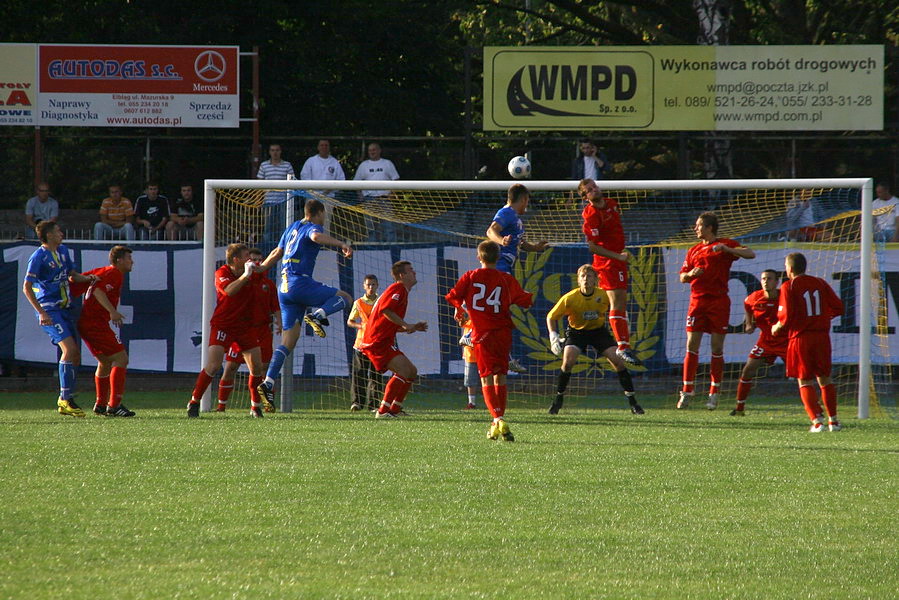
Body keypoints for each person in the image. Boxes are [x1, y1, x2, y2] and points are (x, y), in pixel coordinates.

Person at [255, 199, 354, 404]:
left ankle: (268, 382)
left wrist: (262, 268)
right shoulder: (312, 226)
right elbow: (316, 236)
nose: (324, 220)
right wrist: (341, 244)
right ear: (317, 213)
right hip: (299, 283)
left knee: (287, 342)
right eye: (323, 216)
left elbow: (276, 252)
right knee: (345, 298)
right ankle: (317, 316)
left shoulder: (291, 227)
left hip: (283, 288)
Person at [446, 241, 533, 441]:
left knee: (485, 378)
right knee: (500, 376)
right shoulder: (506, 279)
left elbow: (453, 296)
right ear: (499, 257)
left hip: (482, 334)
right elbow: (526, 301)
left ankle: (497, 417)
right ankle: (497, 422)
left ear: (479, 257)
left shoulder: (470, 276)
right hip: (502, 333)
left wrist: (459, 309)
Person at [677, 212, 756, 410]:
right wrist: (690, 274)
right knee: (691, 345)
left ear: (709, 228)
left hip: (718, 302)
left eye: (699, 225)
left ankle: (714, 393)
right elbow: (682, 277)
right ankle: (687, 391)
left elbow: (750, 253)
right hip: (697, 302)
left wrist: (728, 249)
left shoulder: (723, 244)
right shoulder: (693, 250)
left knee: (716, 348)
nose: (695, 229)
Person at [21, 221, 98, 417]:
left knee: (76, 355)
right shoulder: (38, 256)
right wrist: (42, 312)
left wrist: (89, 278)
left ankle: (68, 397)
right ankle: (64, 399)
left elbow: (72, 276)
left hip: (65, 308)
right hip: (49, 309)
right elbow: (27, 288)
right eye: (57, 231)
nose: (61, 233)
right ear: (48, 235)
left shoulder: (63, 250)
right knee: (69, 349)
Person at [545, 264, 644, 416]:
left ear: (596, 280)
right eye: (582, 276)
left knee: (618, 361)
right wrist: (553, 337)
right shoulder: (570, 298)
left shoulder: (604, 295)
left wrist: (625, 322)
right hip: (577, 333)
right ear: (578, 280)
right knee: (568, 361)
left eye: (589, 276)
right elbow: (551, 316)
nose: (586, 279)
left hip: (598, 332)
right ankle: (558, 399)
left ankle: (633, 403)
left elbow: (618, 307)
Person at [187, 243, 269, 418]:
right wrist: (246, 275)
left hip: (245, 327)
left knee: (257, 367)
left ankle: (255, 407)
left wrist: (282, 249)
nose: (250, 259)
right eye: (247, 256)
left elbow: (267, 265)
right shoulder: (222, 273)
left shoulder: (252, 273)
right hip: (223, 324)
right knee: (214, 365)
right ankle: (194, 402)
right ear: (236, 259)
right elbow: (229, 291)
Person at [771, 252, 844, 432]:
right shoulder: (820, 282)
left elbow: (786, 318)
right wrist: (822, 318)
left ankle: (817, 422)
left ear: (789, 268)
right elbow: (839, 307)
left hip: (801, 338)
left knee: (804, 380)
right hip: (821, 337)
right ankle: (833, 421)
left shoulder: (789, 286)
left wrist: (776, 327)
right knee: (825, 378)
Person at [484, 183, 548, 374]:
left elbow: (519, 243)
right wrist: (499, 240)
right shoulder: (507, 213)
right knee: (499, 309)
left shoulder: (516, 219)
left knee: (501, 312)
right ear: (523, 199)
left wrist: (535, 248)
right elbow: (491, 231)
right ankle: (472, 332)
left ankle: (506, 356)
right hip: (500, 265)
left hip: (507, 267)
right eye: (527, 200)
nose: (527, 204)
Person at [580, 177, 640, 366]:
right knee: (616, 302)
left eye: (594, 186)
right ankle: (622, 346)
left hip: (618, 261)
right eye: (589, 190)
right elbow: (592, 247)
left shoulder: (612, 204)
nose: (594, 190)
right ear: (585, 197)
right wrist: (616, 256)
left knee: (621, 301)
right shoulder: (590, 215)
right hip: (607, 263)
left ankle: (622, 336)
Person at [360, 261, 428, 418]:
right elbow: (386, 310)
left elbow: (387, 320)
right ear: (402, 275)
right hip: (377, 341)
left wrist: (409, 327)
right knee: (404, 370)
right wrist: (405, 324)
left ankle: (395, 410)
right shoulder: (397, 288)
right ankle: (383, 411)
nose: (415, 273)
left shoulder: (402, 291)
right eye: (411, 270)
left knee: (411, 372)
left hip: (382, 340)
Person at [215, 248, 280, 413]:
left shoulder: (268, 284)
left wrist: (279, 322)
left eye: (259, 260)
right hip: (244, 329)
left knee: (263, 368)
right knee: (230, 367)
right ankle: (221, 405)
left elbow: (275, 306)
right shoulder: (244, 281)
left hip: (263, 330)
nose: (256, 262)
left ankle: (264, 404)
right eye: (253, 259)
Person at [76, 245, 136, 417]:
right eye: (129, 258)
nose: (132, 262)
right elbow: (98, 291)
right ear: (119, 260)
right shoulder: (114, 273)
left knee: (105, 362)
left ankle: (101, 404)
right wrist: (112, 311)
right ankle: (114, 405)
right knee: (121, 358)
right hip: (95, 324)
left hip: (87, 323)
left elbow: (87, 283)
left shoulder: (104, 271)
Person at [731, 269, 788, 416]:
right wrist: (749, 323)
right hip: (766, 342)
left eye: (769, 279)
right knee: (747, 370)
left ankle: (816, 409)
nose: (765, 281)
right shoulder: (754, 297)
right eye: (763, 278)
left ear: (776, 282)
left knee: (803, 374)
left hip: (786, 342)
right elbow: (747, 305)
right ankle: (739, 408)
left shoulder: (785, 297)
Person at [347, 274, 382, 411]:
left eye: (373, 284)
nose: (371, 287)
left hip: (377, 344)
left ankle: (374, 405)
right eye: (368, 285)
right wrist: (359, 326)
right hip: (361, 345)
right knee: (359, 375)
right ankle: (357, 403)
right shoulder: (358, 303)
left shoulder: (381, 301)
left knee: (376, 375)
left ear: (377, 285)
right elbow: (350, 321)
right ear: (364, 286)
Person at [353, 142, 400, 241]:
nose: (372, 152)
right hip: (369, 200)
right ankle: (372, 248)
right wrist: (360, 195)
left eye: (374, 150)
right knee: (370, 227)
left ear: (379, 151)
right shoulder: (363, 165)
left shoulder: (387, 163)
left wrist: (392, 194)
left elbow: (395, 179)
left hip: (385, 199)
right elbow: (356, 182)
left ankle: (391, 248)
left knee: (389, 226)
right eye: (370, 150)